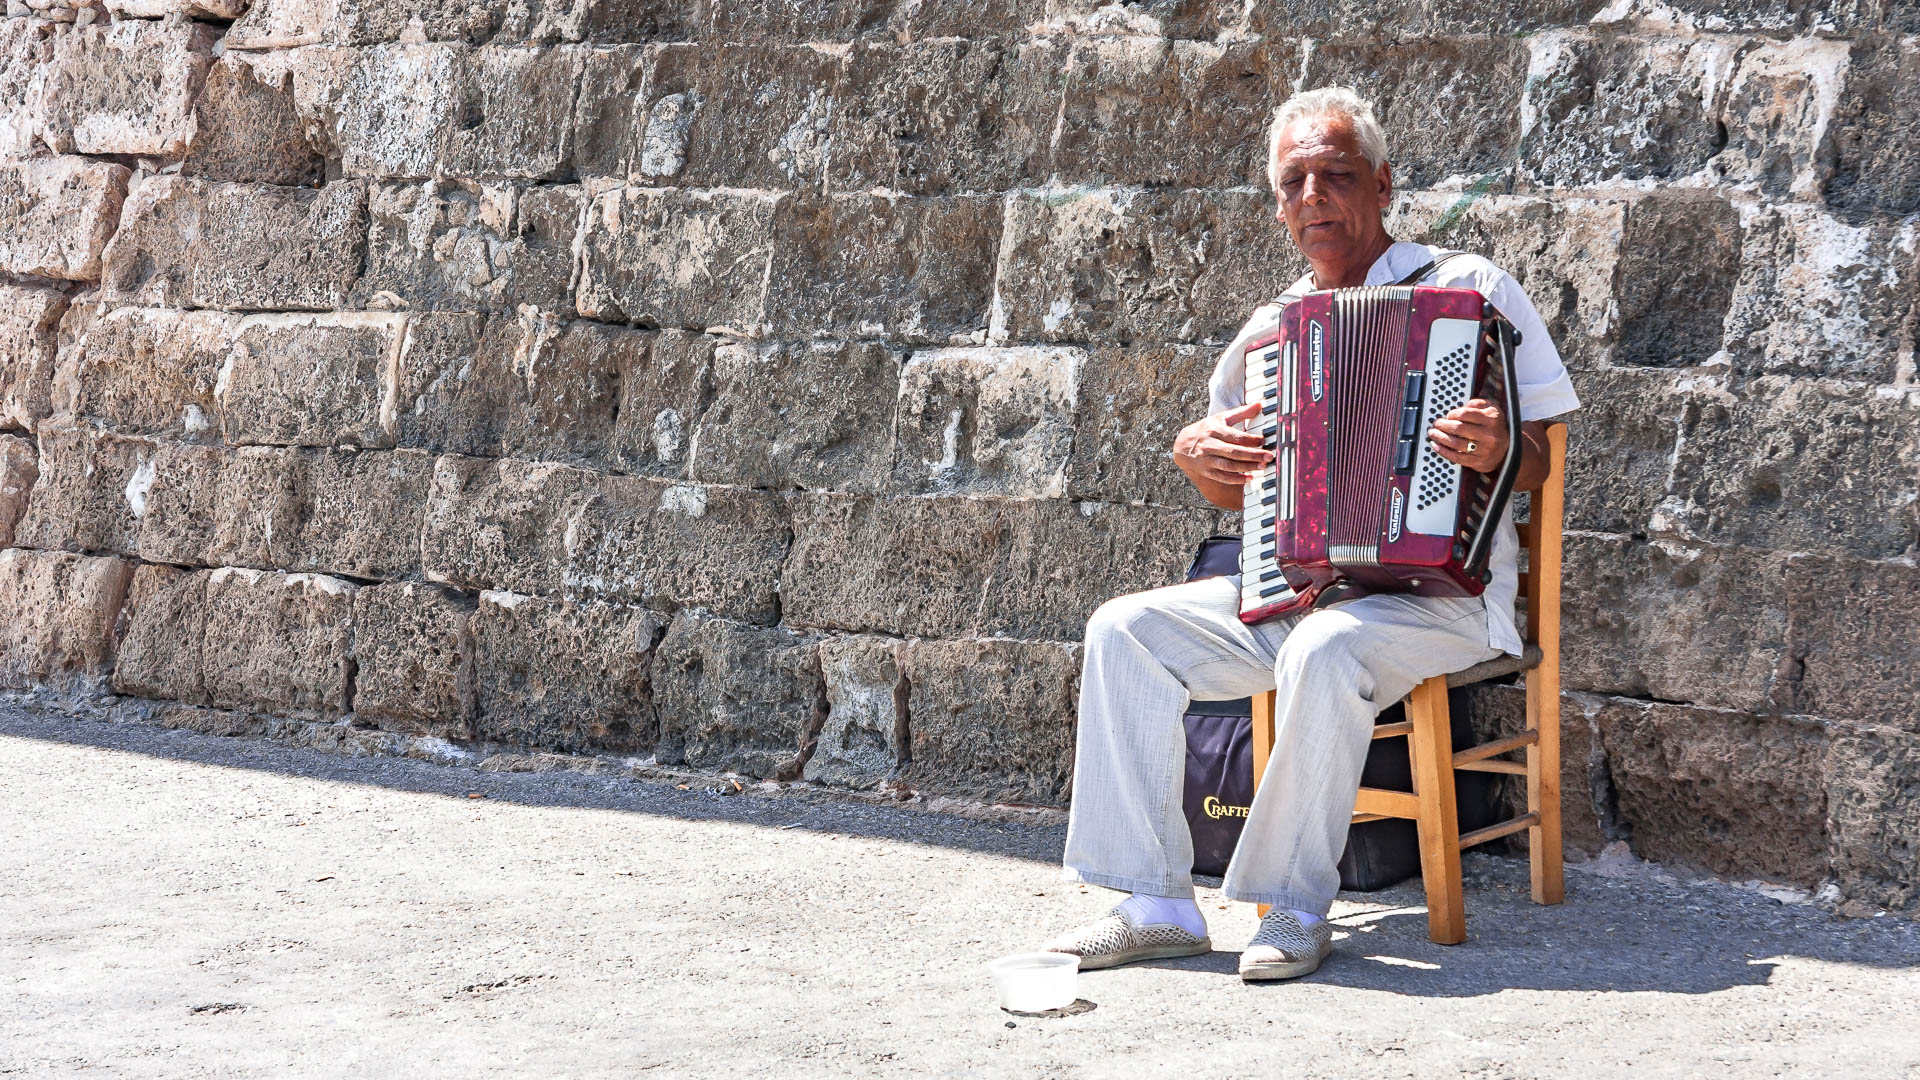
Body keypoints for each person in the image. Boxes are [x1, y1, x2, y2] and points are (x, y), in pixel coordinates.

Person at [1041, 87, 1581, 981]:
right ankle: (1154, 904)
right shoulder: (1270, 330)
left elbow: (1540, 457)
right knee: (1124, 629)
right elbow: (1235, 480)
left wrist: (1502, 444)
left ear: (1383, 184)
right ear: (1278, 207)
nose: (1314, 196)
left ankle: (1292, 907)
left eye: (1337, 176)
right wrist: (1194, 452)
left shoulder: (1469, 288)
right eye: (1295, 183)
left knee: (1325, 647)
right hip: (1299, 594)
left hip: (1443, 601)